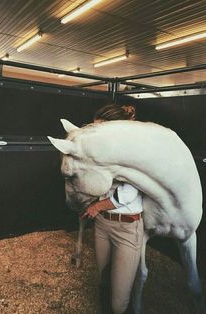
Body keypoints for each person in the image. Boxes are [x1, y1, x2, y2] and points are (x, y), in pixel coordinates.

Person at [81, 104, 143, 314]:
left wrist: (96, 206)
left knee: (119, 303)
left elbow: (128, 194)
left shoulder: (135, 152)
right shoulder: (101, 153)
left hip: (127, 228)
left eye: (101, 130)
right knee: (104, 282)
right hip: (102, 224)